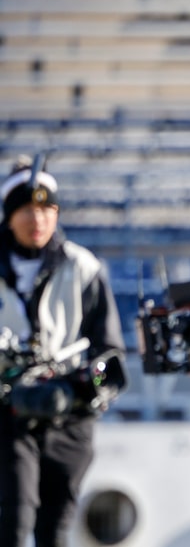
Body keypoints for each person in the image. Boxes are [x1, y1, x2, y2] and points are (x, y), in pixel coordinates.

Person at [0, 155, 128, 547]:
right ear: (8, 215)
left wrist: (77, 390)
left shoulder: (84, 267)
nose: (37, 218)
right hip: (8, 416)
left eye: (46, 208)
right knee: (13, 518)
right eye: (26, 209)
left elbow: (112, 359)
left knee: (56, 527)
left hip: (70, 420)